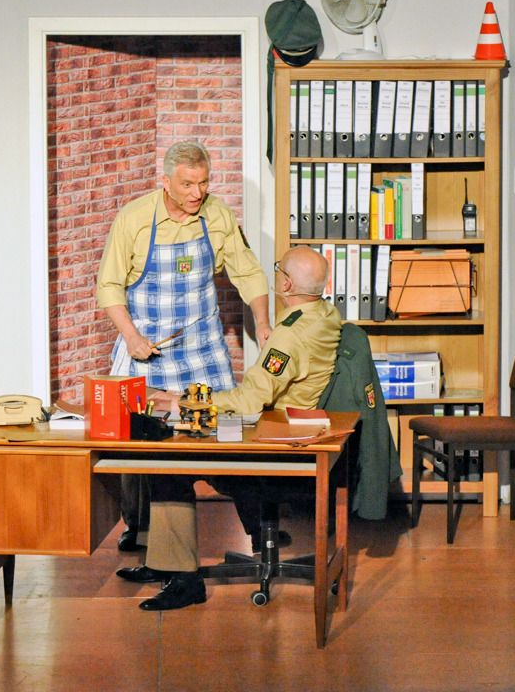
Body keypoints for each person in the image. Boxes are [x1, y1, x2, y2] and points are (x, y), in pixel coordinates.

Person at [116, 246, 342, 612]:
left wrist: (184, 401)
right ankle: (240, 540)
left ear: (286, 284)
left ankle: (183, 578)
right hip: (295, 435)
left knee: (169, 462)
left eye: (278, 269)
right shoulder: (326, 316)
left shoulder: (289, 337)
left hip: (276, 448)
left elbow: (251, 400)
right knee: (183, 447)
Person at [97, 140, 272, 552]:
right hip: (147, 346)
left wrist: (263, 323)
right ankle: (140, 529)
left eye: (204, 182)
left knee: (226, 436)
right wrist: (131, 337)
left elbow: (248, 272)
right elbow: (109, 285)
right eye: (188, 184)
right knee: (142, 443)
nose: (198, 193)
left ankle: (260, 529)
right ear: (166, 181)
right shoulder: (135, 219)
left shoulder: (218, 215)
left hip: (202, 346)